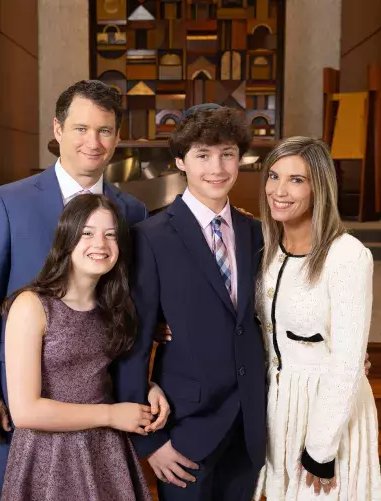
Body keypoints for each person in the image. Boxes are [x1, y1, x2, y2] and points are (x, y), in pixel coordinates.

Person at [0, 80, 149, 501]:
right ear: (58, 130)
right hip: (21, 393)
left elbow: (130, 299)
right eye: (81, 128)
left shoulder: (132, 211)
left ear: (117, 138)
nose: (93, 142)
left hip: (101, 396)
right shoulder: (8, 202)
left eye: (104, 131)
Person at [113, 104, 266, 501]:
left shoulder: (258, 234)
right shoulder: (150, 237)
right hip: (184, 430)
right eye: (203, 155)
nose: (217, 167)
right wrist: (152, 441)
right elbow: (134, 340)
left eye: (228, 154)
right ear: (180, 160)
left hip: (251, 425)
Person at [0, 194, 166, 501]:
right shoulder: (32, 306)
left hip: (105, 449)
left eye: (110, 235)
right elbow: (25, 412)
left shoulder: (113, 306)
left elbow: (101, 374)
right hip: (49, 454)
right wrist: (112, 415)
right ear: (67, 239)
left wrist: (149, 387)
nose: (100, 244)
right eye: (87, 233)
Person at [253, 136, 381, 500]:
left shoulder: (347, 256)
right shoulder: (266, 248)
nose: (280, 190)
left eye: (297, 180)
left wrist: (321, 449)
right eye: (274, 176)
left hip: (324, 410)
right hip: (277, 407)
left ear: (319, 188)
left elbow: (346, 362)